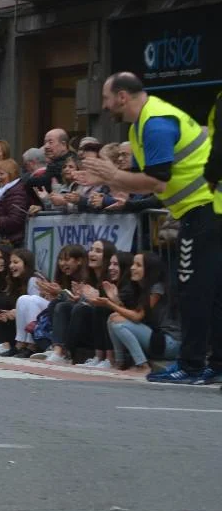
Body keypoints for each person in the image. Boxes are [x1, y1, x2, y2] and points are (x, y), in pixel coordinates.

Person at [76, 72, 222, 384]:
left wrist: (113, 177)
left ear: (122, 97)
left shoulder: (155, 123)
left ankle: (192, 366)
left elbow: (157, 182)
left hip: (203, 211)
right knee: (212, 292)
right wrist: (109, 177)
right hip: (206, 211)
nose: (104, 106)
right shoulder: (143, 124)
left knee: (193, 292)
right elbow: (145, 179)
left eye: (106, 99)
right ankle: (215, 364)